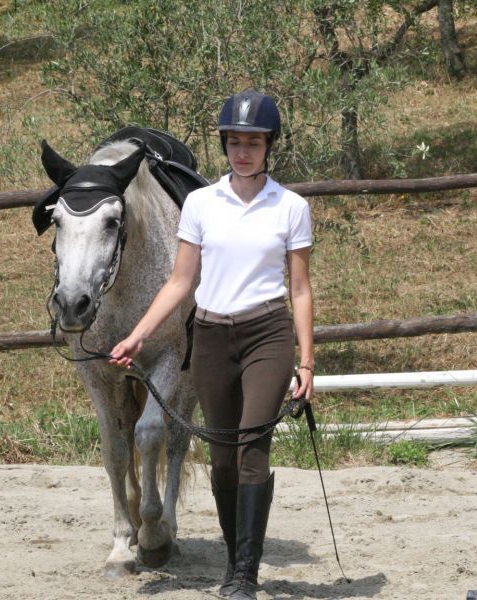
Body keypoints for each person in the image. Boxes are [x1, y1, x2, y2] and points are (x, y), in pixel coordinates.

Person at [110, 89, 314, 599]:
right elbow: (180, 282)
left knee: (250, 449)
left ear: (270, 145)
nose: (243, 151)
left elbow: (302, 289)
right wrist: (137, 335)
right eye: (235, 142)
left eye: (254, 142)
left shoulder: (291, 206)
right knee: (221, 456)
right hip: (211, 335)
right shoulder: (200, 203)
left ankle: (245, 572)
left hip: (267, 333)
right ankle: (233, 558)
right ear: (224, 145)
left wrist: (307, 362)